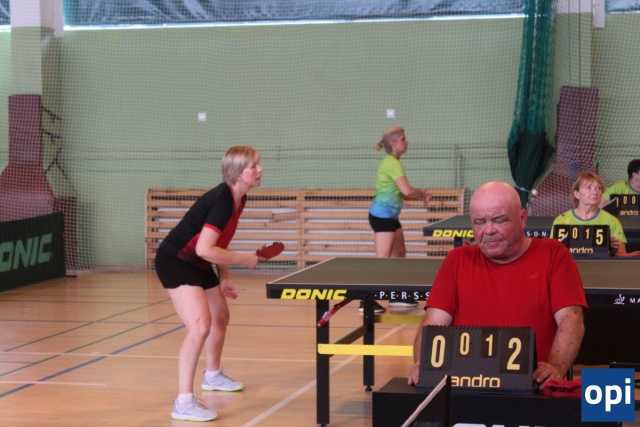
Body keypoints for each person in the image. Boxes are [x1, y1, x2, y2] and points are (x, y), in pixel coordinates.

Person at [408, 181, 588, 391]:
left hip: (533, 389)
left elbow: (571, 320)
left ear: (522, 219)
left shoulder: (554, 254)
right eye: (479, 222)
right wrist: (423, 363)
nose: (489, 230)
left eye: (498, 220)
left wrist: (555, 367)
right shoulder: (456, 260)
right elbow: (433, 324)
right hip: (465, 389)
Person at [154, 146, 264, 422]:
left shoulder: (239, 198)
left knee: (220, 316)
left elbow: (218, 242)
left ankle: (213, 376)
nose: (260, 169)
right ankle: (183, 402)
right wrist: (243, 259)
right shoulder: (223, 201)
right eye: (253, 166)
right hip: (176, 261)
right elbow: (204, 248)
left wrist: (224, 275)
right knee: (200, 326)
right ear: (237, 173)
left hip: (198, 261)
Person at [363, 126, 431, 313]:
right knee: (382, 259)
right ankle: (366, 300)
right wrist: (423, 193)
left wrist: (417, 196)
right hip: (381, 216)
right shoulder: (391, 163)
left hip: (391, 216)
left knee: (399, 254)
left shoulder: (393, 163)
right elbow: (406, 190)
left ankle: (397, 296)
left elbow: (400, 193)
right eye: (403, 139)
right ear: (393, 143)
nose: (406, 142)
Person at [553, 172, 639, 256]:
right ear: (576, 194)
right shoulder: (561, 221)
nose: (595, 192)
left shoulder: (612, 221)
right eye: (588, 188)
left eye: (598, 188)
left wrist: (612, 251)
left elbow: (621, 257)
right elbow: (552, 254)